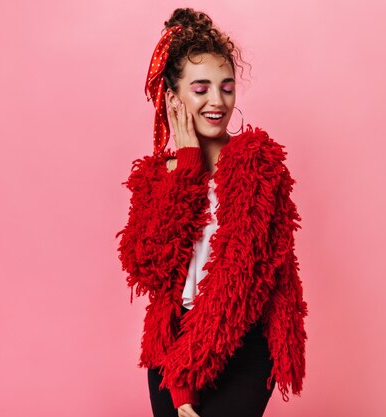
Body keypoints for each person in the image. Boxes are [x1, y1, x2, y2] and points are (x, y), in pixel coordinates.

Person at [116, 7, 308, 417]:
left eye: (227, 87)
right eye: (200, 89)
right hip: (170, 345)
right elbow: (148, 269)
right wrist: (186, 169)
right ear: (173, 96)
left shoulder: (258, 164)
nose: (217, 101)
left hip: (242, 345)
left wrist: (185, 379)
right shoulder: (156, 176)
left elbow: (244, 278)